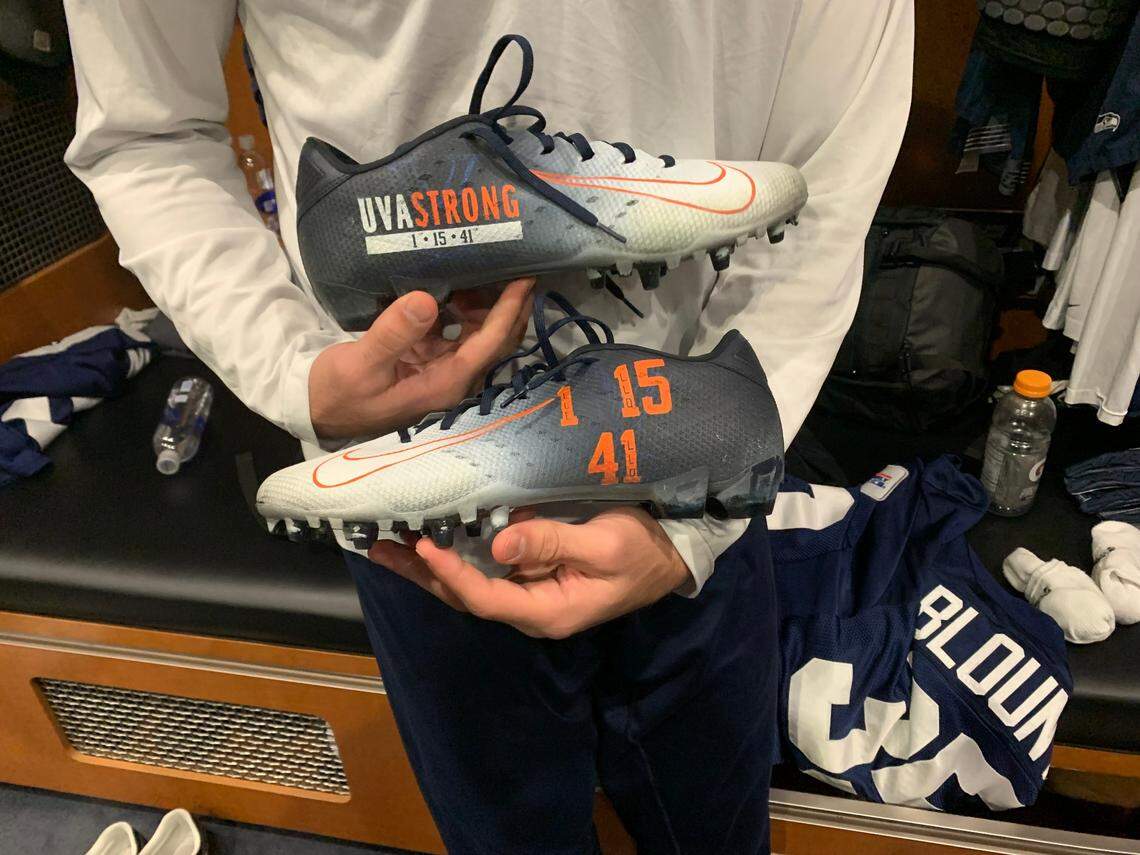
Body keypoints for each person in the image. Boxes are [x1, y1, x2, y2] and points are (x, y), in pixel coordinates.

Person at [63, 2, 914, 851]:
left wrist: (700, 506)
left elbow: (825, 173)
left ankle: (651, 348)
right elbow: (144, 130)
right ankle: (480, 207)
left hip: (699, 484)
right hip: (425, 503)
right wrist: (293, 368)